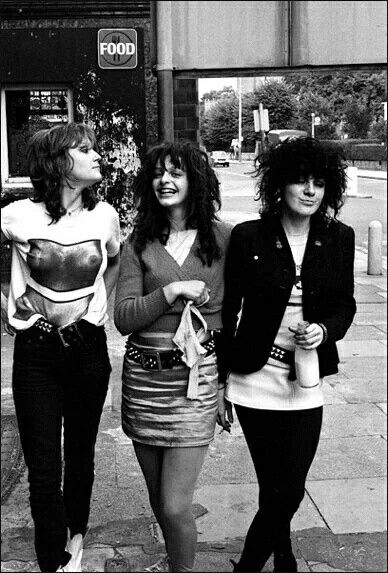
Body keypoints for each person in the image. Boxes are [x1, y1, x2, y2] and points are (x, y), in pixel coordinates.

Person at [219, 137, 356, 572]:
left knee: (290, 487)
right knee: (271, 485)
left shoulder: (339, 238)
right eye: (300, 181)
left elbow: (345, 304)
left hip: (305, 377)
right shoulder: (248, 236)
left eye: (318, 183)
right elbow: (227, 310)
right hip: (254, 377)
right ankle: (284, 557)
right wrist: (221, 381)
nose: (310, 191)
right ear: (281, 186)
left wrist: (324, 329)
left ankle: (249, 566)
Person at [0, 123, 120, 572]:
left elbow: (116, 257)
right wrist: (9, 308)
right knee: (43, 469)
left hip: (88, 349)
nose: (97, 156)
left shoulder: (104, 215)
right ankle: (52, 561)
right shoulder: (16, 215)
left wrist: (97, 308)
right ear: (58, 163)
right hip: (36, 353)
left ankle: (76, 544)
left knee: (81, 457)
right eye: (85, 150)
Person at [114, 141, 232, 572]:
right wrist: (170, 291)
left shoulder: (223, 239)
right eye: (159, 173)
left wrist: (226, 385)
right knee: (157, 500)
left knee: (175, 504)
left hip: (194, 382)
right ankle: (170, 559)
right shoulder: (139, 243)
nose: (165, 180)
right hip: (144, 382)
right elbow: (124, 317)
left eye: (176, 173)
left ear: (195, 180)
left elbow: (235, 314)